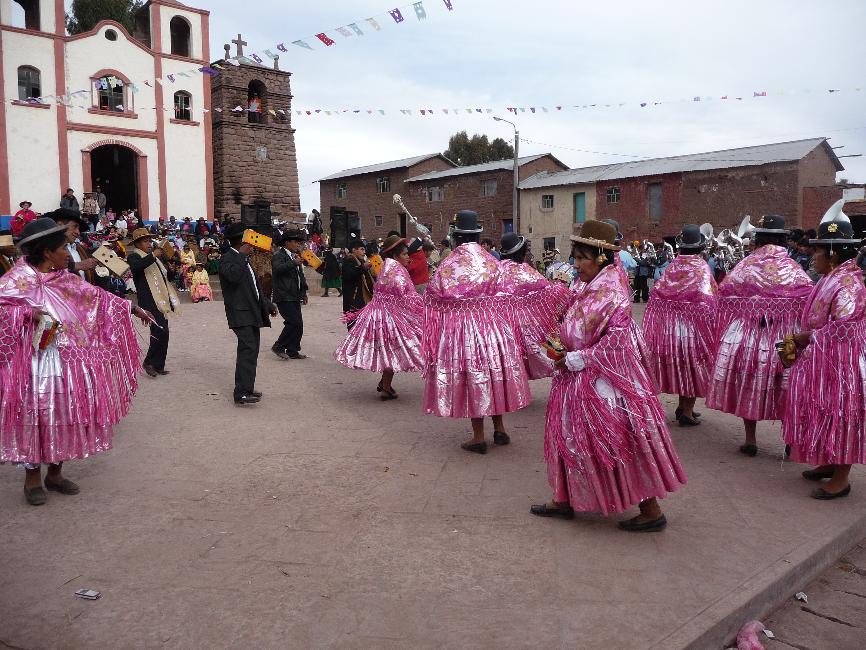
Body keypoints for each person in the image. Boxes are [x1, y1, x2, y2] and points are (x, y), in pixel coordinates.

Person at [530, 220, 687, 531]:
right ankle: (563, 498)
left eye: (580, 258)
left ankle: (651, 510)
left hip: (606, 384)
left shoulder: (612, 291)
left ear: (601, 256)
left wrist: (577, 357)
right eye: (574, 257)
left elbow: (617, 343)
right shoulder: (591, 284)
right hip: (576, 378)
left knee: (619, 440)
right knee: (569, 437)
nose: (575, 265)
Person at [0, 217, 152, 506]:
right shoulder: (16, 280)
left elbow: (97, 297)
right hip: (32, 365)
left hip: (66, 361)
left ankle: (55, 474)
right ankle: (31, 479)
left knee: (65, 413)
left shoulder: (64, 278)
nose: (66, 254)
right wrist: (25, 314)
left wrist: (132, 307)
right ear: (47, 252)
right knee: (35, 416)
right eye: (63, 248)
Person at [424, 211, 543, 453]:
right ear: (478, 236)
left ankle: (478, 436)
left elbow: (432, 296)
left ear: (456, 237)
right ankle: (500, 429)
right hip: (495, 328)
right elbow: (509, 291)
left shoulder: (447, 265)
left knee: (473, 378)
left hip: (463, 330)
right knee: (493, 374)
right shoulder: (493, 262)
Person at [706, 215, 813, 456]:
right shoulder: (793, 268)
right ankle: (790, 441)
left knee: (749, 382)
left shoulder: (746, 265)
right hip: (786, 338)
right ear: (783, 240)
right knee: (787, 386)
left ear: (759, 239)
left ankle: (751, 440)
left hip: (749, 335)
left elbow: (723, 292)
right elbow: (809, 297)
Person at [783, 200, 866, 499]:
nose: (811, 256)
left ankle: (842, 478)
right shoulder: (833, 276)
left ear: (831, 253)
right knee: (827, 411)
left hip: (842, 362)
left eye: (817, 251)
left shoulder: (848, 282)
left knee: (842, 412)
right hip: (827, 358)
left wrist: (806, 337)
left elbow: (844, 327)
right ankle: (830, 461)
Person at [642, 225, 718, 426]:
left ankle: (683, 407)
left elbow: (657, 293)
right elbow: (709, 300)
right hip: (692, 329)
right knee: (692, 366)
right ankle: (687, 411)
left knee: (681, 365)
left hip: (669, 328)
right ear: (699, 247)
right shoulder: (701, 267)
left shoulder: (673, 266)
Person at [335, 235, 424, 399]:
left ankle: (385, 384)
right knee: (392, 350)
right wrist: (423, 302)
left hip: (380, 314)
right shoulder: (396, 271)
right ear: (396, 255)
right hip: (390, 317)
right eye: (405, 254)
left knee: (389, 351)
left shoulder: (387, 267)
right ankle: (385, 386)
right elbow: (403, 295)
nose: (408, 257)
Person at [219, 224, 277, 405]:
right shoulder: (227, 259)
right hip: (240, 314)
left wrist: (267, 304)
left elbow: (254, 287)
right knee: (247, 351)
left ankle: (247, 388)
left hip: (251, 313)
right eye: (249, 240)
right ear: (241, 241)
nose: (253, 243)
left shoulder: (244, 259)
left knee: (251, 352)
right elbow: (234, 277)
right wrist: (243, 255)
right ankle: (241, 392)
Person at [127, 228, 179, 377]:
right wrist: (153, 256)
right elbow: (137, 267)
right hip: (148, 300)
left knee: (164, 331)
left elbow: (165, 277)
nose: (149, 244)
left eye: (150, 241)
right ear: (137, 244)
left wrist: (170, 269)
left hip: (161, 299)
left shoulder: (155, 257)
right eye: (145, 241)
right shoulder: (134, 257)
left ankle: (158, 364)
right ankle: (149, 362)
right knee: (159, 330)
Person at [271, 229, 309, 360]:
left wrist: (303, 292)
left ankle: (293, 350)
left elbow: (300, 276)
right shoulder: (278, 255)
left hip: (294, 295)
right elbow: (277, 270)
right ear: (287, 242)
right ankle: (278, 346)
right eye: (295, 241)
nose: (298, 244)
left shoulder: (294, 256)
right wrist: (293, 263)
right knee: (293, 322)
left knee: (299, 324)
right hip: (284, 295)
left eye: (299, 242)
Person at [53, 209, 99, 284]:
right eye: (75, 227)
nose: (78, 232)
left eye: (79, 229)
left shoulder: (80, 248)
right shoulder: (50, 249)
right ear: (60, 225)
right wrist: (77, 265)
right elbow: (50, 271)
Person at [341, 237, 374, 326]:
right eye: (361, 249)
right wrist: (363, 268)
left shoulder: (361, 261)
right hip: (353, 300)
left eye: (364, 250)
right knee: (354, 328)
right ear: (354, 250)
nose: (364, 252)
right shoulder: (349, 260)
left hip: (361, 300)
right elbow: (349, 275)